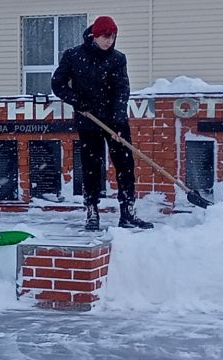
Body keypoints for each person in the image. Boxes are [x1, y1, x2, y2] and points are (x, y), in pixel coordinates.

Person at [51, 15, 149, 232]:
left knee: (125, 166)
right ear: (94, 35)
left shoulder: (117, 59)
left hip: (116, 121)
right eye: (105, 36)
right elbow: (57, 84)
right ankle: (92, 212)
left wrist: (118, 119)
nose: (109, 41)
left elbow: (122, 90)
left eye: (113, 36)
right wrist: (77, 100)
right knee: (91, 167)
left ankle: (127, 212)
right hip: (88, 121)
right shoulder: (74, 56)